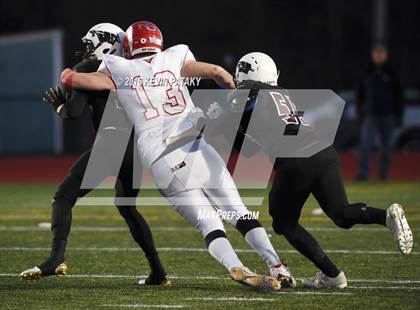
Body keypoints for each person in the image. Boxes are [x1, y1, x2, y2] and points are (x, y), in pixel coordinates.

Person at [60, 20, 297, 290]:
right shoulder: (175, 56)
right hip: (195, 146)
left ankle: (236, 266)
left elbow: (73, 79)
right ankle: (277, 266)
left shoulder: (117, 68)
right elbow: (217, 72)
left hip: (160, 158)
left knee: (208, 224)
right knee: (239, 212)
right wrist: (234, 95)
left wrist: (67, 72)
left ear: (129, 45)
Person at [207, 52, 413, 289]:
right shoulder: (281, 94)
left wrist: (215, 117)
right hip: (323, 151)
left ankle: (333, 275)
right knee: (342, 215)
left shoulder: (250, 93)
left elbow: (231, 121)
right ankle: (385, 215)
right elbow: (250, 147)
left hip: (295, 160)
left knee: (284, 223)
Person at [20, 23, 169, 286]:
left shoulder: (90, 69)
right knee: (127, 207)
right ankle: (158, 272)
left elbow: (73, 112)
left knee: (63, 197)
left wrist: (59, 107)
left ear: (106, 43)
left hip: (111, 144)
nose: (87, 51)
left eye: (91, 44)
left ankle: (56, 258)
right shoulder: (133, 69)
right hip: (136, 147)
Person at [356, 44, 404, 181]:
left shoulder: (392, 72)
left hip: (388, 115)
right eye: (376, 54)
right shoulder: (366, 72)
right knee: (365, 145)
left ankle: (383, 175)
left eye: (381, 54)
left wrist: (399, 115)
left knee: (386, 147)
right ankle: (362, 174)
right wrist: (360, 114)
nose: (378, 56)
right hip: (370, 115)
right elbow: (360, 95)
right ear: (372, 55)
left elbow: (399, 96)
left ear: (385, 55)